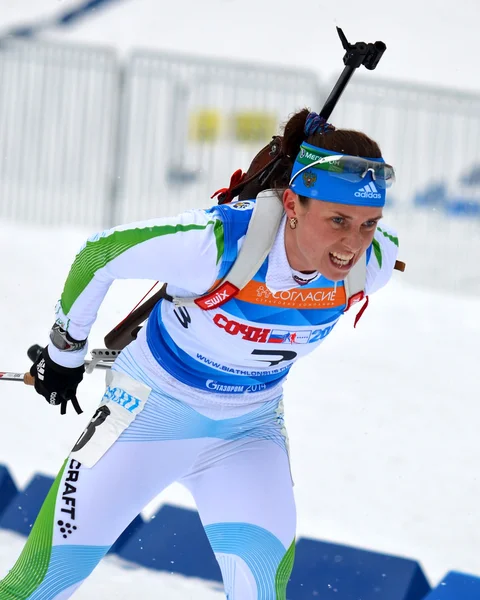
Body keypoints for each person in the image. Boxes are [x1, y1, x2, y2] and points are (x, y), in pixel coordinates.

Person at [0, 108, 399, 599]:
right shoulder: (216, 242)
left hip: (247, 434)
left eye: (368, 224)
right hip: (143, 415)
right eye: (338, 220)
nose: (352, 244)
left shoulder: (373, 262)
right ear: (292, 203)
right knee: (40, 585)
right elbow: (100, 253)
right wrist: (64, 353)